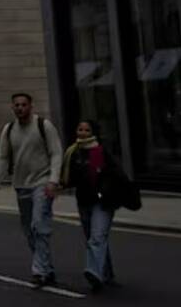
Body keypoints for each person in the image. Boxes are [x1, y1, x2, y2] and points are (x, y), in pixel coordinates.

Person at [0, 92, 63, 289]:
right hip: (21, 185)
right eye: (17, 105)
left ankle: (39, 271)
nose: (20, 108)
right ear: (12, 107)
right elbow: (2, 156)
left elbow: (56, 153)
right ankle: (47, 269)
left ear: (31, 106)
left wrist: (53, 180)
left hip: (42, 182)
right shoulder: (9, 129)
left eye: (24, 104)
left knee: (39, 226)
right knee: (29, 230)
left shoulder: (44, 126)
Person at [60, 120, 133, 293]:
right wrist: (58, 186)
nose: (83, 133)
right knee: (94, 239)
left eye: (87, 130)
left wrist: (112, 188)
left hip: (103, 202)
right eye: (80, 129)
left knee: (97, 238)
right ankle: (106, 274)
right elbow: (70, 178)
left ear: (93, 133)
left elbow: (118, 173)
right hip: (83, 201)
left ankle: (93, 272)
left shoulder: (101, 151)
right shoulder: (72, 152)